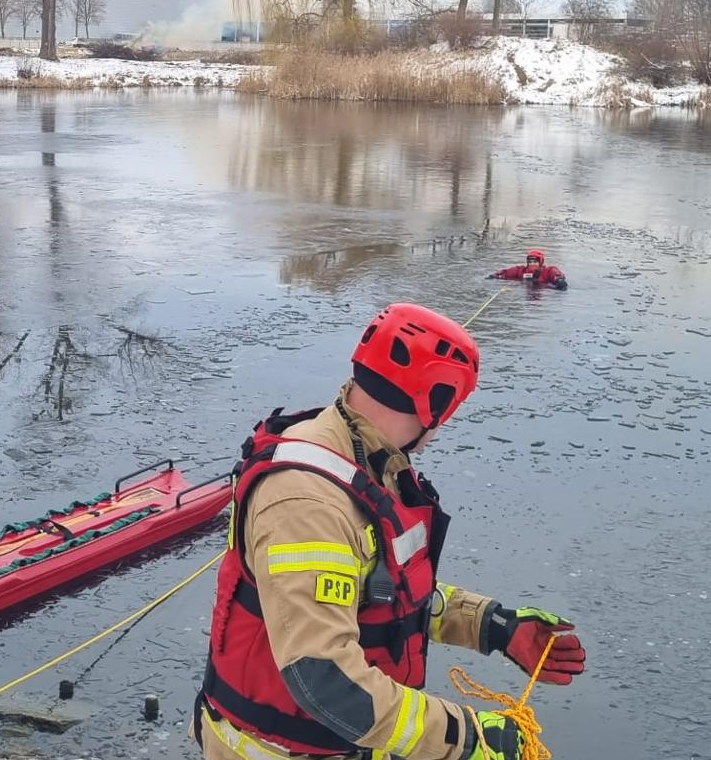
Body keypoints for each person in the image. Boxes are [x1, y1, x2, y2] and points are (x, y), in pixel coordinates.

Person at [196, 303, 587, 760]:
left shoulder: (367, 460)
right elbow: (325, 680)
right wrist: (464, 738)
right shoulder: (307, 504)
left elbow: (382, 593)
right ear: (435, 403)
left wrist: (493, 626)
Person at [489, 249, 568, 290]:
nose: (532, 264)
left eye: (535, 262)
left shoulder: (548, 271)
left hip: (543, 289)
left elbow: (556, 274)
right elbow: (506, 272)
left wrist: (559, 280)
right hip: (525, 288)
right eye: (530, 262)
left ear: (541, 262)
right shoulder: (520, 270)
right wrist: (495, 275)